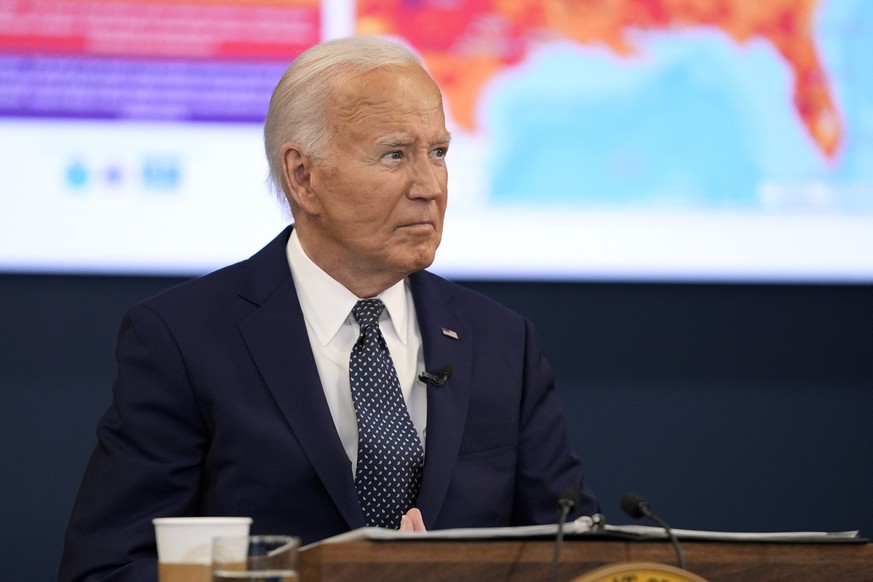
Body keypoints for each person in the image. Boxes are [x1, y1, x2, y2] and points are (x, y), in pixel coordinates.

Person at [59, 35, 599, 582]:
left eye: (438, 152)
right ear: (303, 176)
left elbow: (574, 554)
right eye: (395, 154)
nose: (429, 186)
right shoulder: (184, 339)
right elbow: (108, 568)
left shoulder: (502, 342)